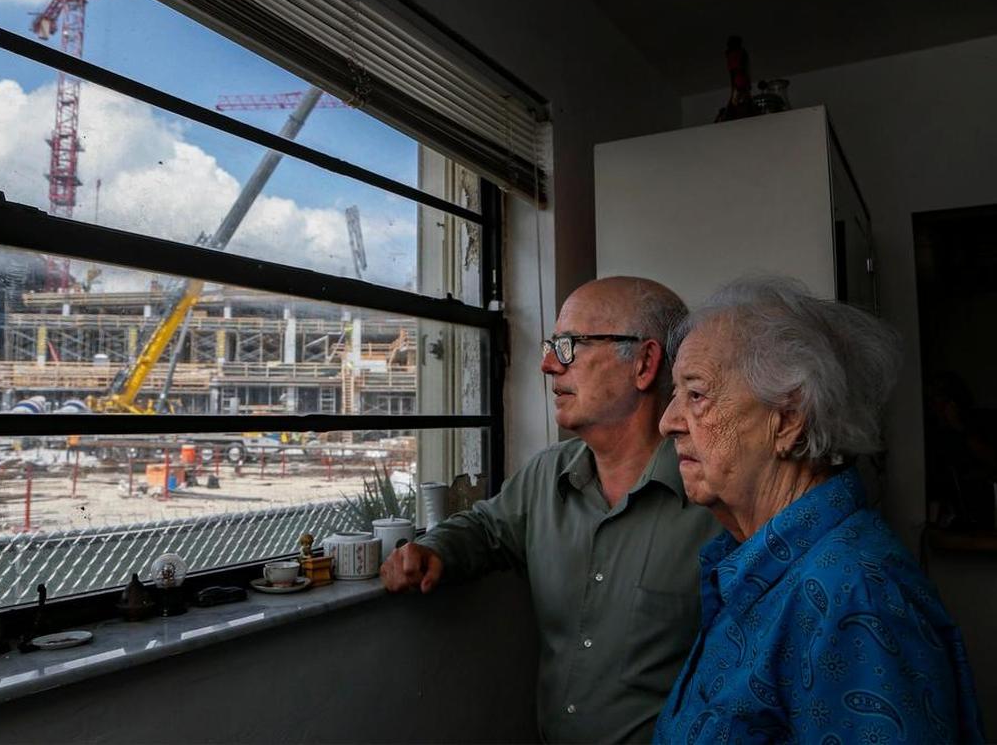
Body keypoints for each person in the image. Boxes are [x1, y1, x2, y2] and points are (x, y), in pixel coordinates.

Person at [381, 276, 721, 743]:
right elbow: (485, 527)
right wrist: (435, 551)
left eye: (570, 345)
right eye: (552, 345)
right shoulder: (547, 477)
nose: (547, 365)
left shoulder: (717, 500)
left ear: (644, 363)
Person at [653, 276, 985, 744]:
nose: (668, 421)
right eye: (675, 394)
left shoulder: (853, 594)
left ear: (788, 420)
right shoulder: (763, 565)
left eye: (697, 394)